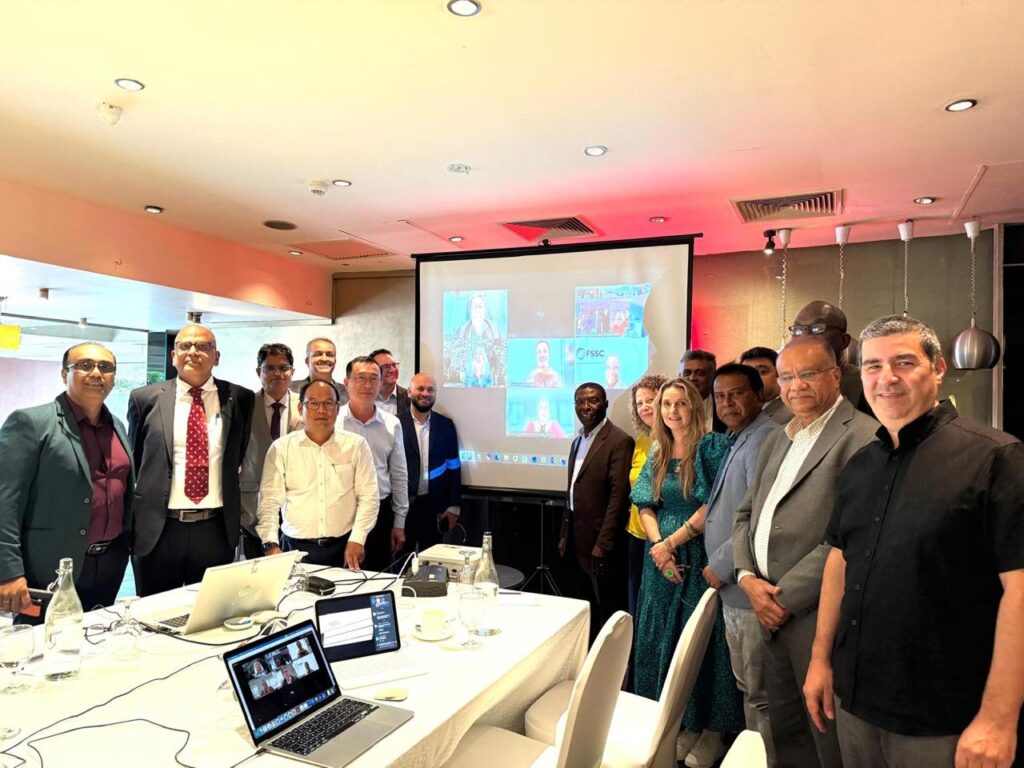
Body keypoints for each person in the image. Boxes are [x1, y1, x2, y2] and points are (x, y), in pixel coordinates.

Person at [804, 315, 1024, 768]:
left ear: (938, 368)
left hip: (943, 716)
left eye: (904, 362)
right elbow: (840, 562)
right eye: (873, 366)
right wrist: (820, 659)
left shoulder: (996, 457)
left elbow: (1020, 592)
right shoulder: (860, 465)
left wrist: (999, 719)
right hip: (854, 702)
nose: (886, 378)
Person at [732, 336, 877, 768]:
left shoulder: (864, 437)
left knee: (825, 740)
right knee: (785, 736)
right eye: (786, 377)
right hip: (766, 611)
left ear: (835, 375)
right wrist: (746, 578)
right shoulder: (779, 438)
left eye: (808, 374)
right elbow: (746, 514)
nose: (796, 385)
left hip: (816, 617)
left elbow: (850, 537)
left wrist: (781, 598)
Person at [632, 378, 740, 768]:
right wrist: (659, 547)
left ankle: (706, 726)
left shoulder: (712, 447)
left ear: (694, 406)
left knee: (698, 638)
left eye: (680, 403)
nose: (672, 411)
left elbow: (715, 504)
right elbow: (645, 504)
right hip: (659, 557)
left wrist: (672, 543)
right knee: (662, 632)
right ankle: (674, 721)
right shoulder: (658, 449)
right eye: (666, 404)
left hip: (695, 550)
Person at [0, 342, 135, 621]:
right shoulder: (31, 423)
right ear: (64, 374)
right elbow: (5, 503)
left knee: (99, 638)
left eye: (106, 367)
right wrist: (8, 572)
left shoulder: (117, 426)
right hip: (48, 569)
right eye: (85, 365)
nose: (96, 373)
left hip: (109, 564)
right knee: (44, 642)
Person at [128, 324, 254, 597]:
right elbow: (136, 459)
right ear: (173, 355)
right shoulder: (144, 399)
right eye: (185, 346)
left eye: (203, 346)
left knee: (210, 612)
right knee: (155, 612)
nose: (193, 352)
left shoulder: (240, 398)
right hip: (159, 530)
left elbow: (237, 453)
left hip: (215, 531)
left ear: (216, 357)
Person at [701, 363, 780, 762]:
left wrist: (721, 564)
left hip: (747, 587)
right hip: (734, 589)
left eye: (736, 394)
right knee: (749, 688)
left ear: (758, 395)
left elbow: (758, 516)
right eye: (720, 396)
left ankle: (761, 759)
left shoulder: (765, 438)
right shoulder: (741, 437)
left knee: (759, 693)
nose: (727, 403)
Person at [257, 378, 378, 569]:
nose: (321, 410)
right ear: (300, 408)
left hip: (345, 547)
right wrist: (271, 545)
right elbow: (269, 502)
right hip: (295, 547)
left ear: (337, 408)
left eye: (328, 403)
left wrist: (358, 538)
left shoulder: (356, 446)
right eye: (313, 403)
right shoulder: (281, 448)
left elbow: (368, 497)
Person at [557, 383, 634, 642]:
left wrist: (604, 544)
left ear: (605, 404)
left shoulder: (619, 441)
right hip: (575, 537)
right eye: (580, 401)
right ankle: (585, 652)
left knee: (608, 606)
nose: (586, 407)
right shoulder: (578, 441)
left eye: (593, 400)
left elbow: (618, 497)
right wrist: (564, 534)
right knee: (582, 603)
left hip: (600, 542)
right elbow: (572, 490)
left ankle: (610, 658)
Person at [339, 356, 409, 571]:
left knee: (378, 576)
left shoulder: (391, 424)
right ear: (346, 382)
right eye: (360, 378)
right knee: (341, 577)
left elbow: (399, 475)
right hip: (341, 511)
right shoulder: (334, 422)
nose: (367, 385)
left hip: (380, 511)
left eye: (373, 379)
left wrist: (399, 522)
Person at [238, 343, 303, 560]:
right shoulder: (244, 406)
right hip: (253, 508)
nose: (277, 373)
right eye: (270, 368)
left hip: (296, 508)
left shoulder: (306, 406)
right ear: (259, 371)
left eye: (283, 368)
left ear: (292, 372)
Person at [398, 373, 462, 553]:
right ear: (409, 392)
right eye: (420, 389)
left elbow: (454, 466)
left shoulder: (446, 425)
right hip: (403, 508)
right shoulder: (395, 424)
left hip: (435, 508)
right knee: (402, 561)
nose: (425, 393)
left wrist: (453, 506)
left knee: (433, 561)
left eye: (430, 390)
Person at [625, 373, 669, 620]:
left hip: (662, 538)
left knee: (656, 606)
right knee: (636, 602)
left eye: (650, 400)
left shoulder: (676, 440)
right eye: (639, 403)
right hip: (636, 533)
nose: (644, 407)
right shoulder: (642, 440)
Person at [790, 300, 870, 416]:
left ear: (844, 341)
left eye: (817, 329)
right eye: (798, 330)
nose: (805, 337)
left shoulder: (864, 386)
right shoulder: (788, 384)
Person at [289, 337, 349, 405]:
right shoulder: (290, 389)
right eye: (318, 354)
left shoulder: (348, 392)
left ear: (335, 361)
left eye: (329, 355)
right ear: (307, 361)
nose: (324, 359)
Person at [740, 346, 791, 425]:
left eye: (761, 372)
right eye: (745, 374)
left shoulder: (789, 415)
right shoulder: (737, 412)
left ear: (779, 375)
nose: (752, 379)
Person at [680, 349, 725, 433]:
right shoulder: (670, 409)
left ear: (713, 376)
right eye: (687, 373)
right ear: (680, 377)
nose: (692, 378)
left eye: (700, 373)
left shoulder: (724, 405)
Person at [370, 348, 409, 415]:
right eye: (386, 367)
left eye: (394, 365)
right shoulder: (364, 397)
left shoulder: (410, 398)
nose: (392, 370)